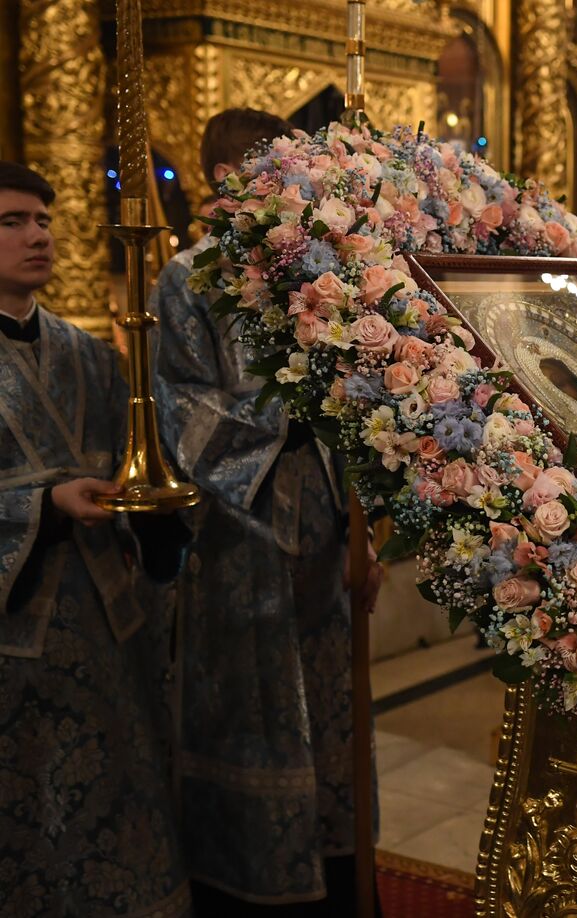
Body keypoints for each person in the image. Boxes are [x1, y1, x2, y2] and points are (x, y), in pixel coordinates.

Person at [149, 108, 383, 914]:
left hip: (322, 513)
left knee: (330, 713)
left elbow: (353, 400)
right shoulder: (188, 277)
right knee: (257, 706)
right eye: (268, 165)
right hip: (238, 524)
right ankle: (255, 881)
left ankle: (334, 865)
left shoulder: (305, 266)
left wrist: (364, 533)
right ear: (226, 176)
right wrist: (277, 425)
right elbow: (177, 400)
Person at [0, 162, 192, 915]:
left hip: (112, 632)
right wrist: (43, 505)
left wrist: (155, 508)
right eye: (11, 222)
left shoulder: (91, 355)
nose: (36, 235)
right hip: (15, 644)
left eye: (43, 220)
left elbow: (141, 473)